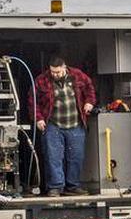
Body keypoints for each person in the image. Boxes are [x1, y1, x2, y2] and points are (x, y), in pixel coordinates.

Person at [31, 56, 95, 197]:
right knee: (53, 157)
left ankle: (72, 186)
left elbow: (90, 88)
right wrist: (39, 119)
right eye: (53, 72)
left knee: (76, 157)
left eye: (58, 72)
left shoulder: (77, 75)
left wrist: (90, 102)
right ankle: (55, 187)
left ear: (64, 68)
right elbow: (33, 101)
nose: (55, 75)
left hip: (76, 123)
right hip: (53, 124)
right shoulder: (41, 80)